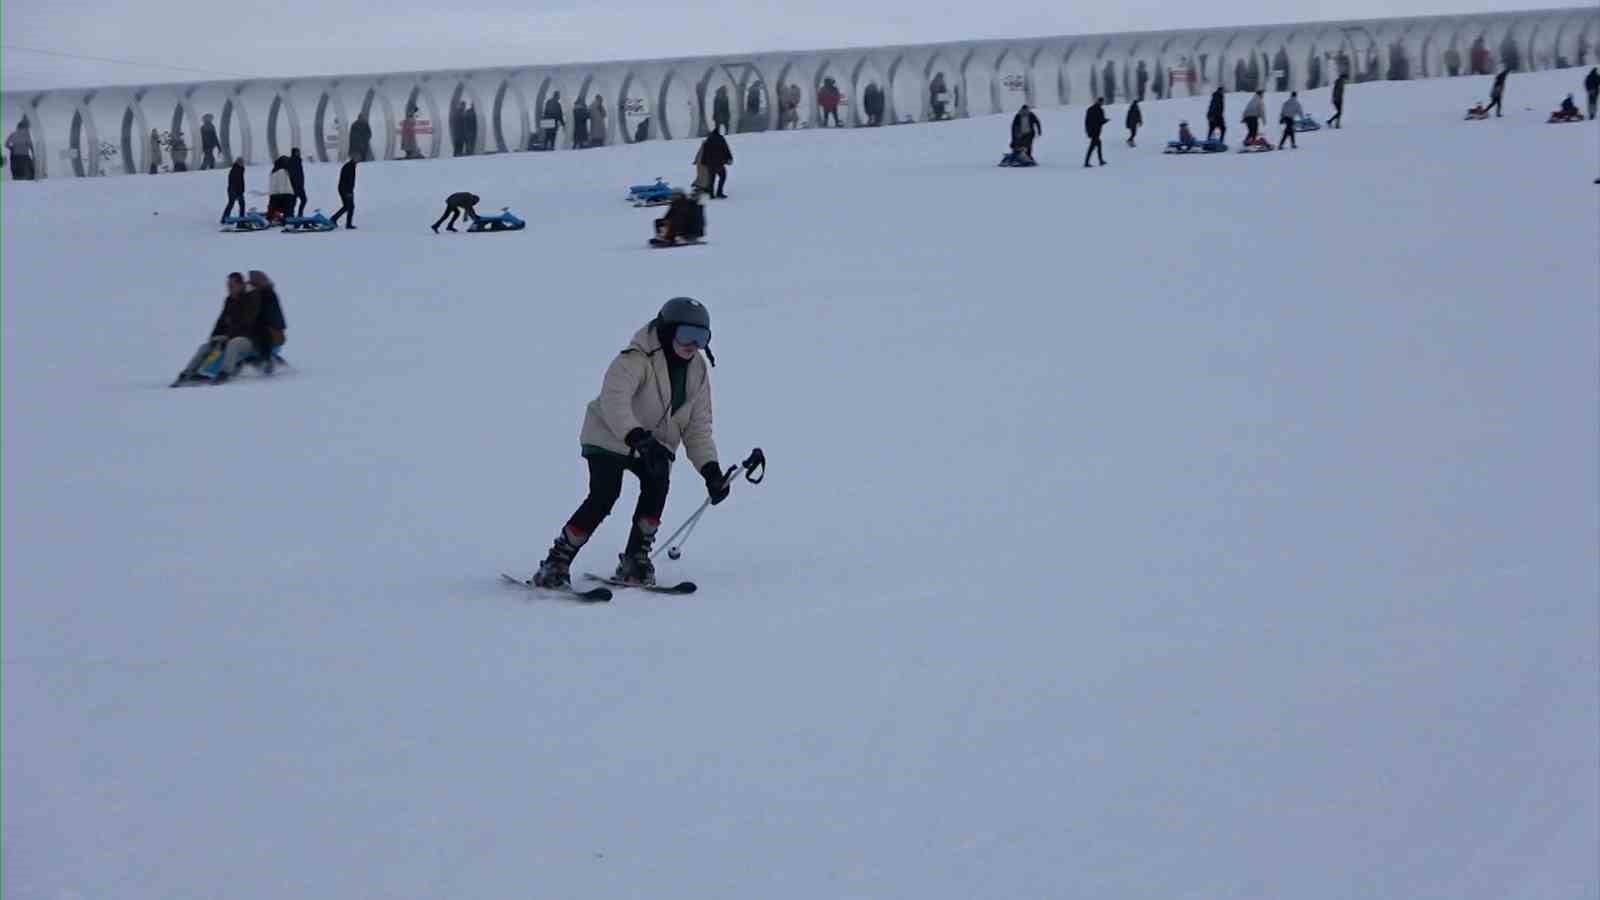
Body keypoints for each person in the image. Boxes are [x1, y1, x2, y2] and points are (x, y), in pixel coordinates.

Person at [531, 297, 728, 589]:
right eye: (686, 334)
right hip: (608, 436)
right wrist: (637, 437)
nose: (693, 345)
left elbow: (697, 427)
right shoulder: (636, 359)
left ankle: (635, 560)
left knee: (657, 485)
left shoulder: (697, 371)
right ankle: (556, 563)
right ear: (667, 331)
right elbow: (614, 401)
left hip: (653, 445)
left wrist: (711, 471)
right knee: (605, 494)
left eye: (701, 337)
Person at [176, 272, 259, 384]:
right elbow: (221, 322)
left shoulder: (252, 298)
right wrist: (214, 338)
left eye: (231, 286)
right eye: (228, 286)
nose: (229, 289)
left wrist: (227, 337)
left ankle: (224, 373)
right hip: (232, 337)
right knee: (205, 347)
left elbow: (247, 323)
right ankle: (188, 373)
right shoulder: (229, 300)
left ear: (240, 285)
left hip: (250, 339)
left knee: (233, 343)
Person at [693, 126, 732, 199]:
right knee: (723, 176)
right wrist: (729, 158)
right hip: (719, 163)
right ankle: (719, 192)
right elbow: (726, 149)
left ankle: (711, 194)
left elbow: (705, 152)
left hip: (710, 164)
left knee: (711, 179)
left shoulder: (708, 139)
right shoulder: (721, 138)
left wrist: (703, 162)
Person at [329, 157, 357, 229]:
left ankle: (334, 219)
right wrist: (349, 192)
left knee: (347, 206)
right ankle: (348, 224)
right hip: (345, 189)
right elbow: (347, 179)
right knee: (350, 206)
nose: (359, 159)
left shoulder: (351, 165)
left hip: (344, 188)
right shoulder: (349, 166)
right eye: (357, 157)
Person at [267, 157, 296, 222]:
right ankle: (288, 220)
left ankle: (272, 218)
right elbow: (281, 182)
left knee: (273, 208)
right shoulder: (282, 171)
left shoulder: (274, 170)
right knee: (287, 209)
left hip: (275, 193)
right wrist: (281, 194)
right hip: (284, 193)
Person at [221, 157, 247, 222]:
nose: (243, 164)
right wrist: (236, 192)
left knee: (240, 204)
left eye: (243, 163)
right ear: (238, 163)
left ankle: (241, 218)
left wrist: (242, 190)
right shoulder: (235, 170)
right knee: (232, 204)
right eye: (241, 162)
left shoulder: (241, 169)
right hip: (233, 190)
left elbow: (241, 181)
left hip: (238, 190)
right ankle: (224, 218)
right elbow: (233, 182)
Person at [1083, 97, 1107, 167]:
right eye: (1102, 102)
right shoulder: (1100, 110)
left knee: (1098, 144)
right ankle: (1087, 162)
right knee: (1092, 147)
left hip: (1091, 131)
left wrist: (1087, 130)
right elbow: (1100, 121)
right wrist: (1105, 121)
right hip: (1096, 131)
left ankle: (1100, 160)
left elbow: (1087, 121)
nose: (1102, 103)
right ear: (1100, 102)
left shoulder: (1090, 109)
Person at [287, 147, 308, 216]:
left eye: (299, 152)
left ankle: (293, 215)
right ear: (294, 153)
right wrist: (296, 185)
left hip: (298, 186)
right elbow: (293, 174)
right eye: (297, 152)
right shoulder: (293, 161)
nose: (299, 153)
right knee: (302, 200)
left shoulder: (298, 161)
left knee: (294, 202)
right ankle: (296, 215)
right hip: (295, 186)